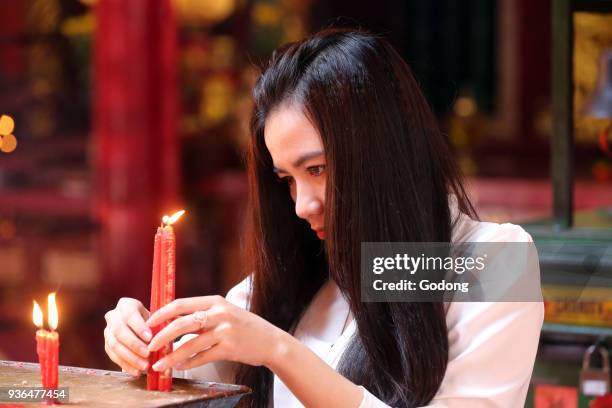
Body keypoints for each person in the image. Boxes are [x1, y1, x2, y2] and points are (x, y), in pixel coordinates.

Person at [103, 28, 544, 407]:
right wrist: (141, 341)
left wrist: (280, 350)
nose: (301, 205)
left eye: (317, 169)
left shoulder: (490, 260)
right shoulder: (300, 273)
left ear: (385, 152)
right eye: (287, 179)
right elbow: (187, 372)